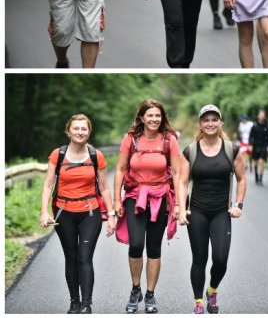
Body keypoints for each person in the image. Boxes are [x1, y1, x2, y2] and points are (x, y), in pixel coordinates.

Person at [40, 114, 116, 313]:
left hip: (89, 213)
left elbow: (104, 187)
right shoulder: (58, 154)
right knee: (71, 257)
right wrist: (44, 212)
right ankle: (74, 301)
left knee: (84, 257)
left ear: (89, 132)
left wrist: (111, 215)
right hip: (64, 214)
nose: (80, 132)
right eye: (76, 128)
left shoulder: (95, 155)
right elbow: (48, 185)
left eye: (84, 129)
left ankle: (86, 305)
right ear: (68, 131)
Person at [113, 100, 181, 314]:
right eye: (149, 115)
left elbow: (178, 174)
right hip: (135, 196)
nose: (154, 119)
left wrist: (178, 203)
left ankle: (150, 295)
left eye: (157, 116)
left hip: (160, 197)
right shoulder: (131, 139)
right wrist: (116, 199)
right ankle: (136, 289)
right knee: (135, 244)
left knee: (154, 248)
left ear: (162, 118)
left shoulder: (169, 140)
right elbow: (119, 169)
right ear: (142, 117)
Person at [178, 104, 246, 314]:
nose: (210, 123)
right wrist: (182, 209)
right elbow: (182, 182)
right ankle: (198, 301)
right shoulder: (190, 150)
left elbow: (242, 179)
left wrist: (238, 204)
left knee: (220, 259)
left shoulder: (232, 149)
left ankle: (212, 290)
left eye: (214, 119)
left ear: (220, 122)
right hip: (196, 212)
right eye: (206, 120)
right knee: (199, 259)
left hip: (221, 213)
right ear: (200, 124)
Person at [249, 109, 268, 185]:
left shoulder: (267, 127)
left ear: (265, 117)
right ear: (258, 116)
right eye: (260, 115)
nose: (262, 117)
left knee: (261, 161)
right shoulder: (254, 126)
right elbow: (251, 137)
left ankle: (260, 179)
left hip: (263, 146)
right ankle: (256, 175)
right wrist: (250, 145)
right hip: (255, 146)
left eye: (263, 115)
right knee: (255, 162)